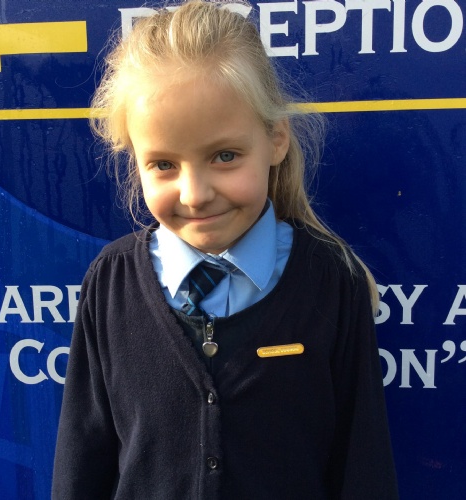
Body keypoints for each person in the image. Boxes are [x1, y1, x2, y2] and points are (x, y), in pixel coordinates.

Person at [52, 1, 398, 498]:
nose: (195, 195)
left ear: (275, 140)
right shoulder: (110, 282)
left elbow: (363, 465)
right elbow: (81, 463)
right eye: (164, 165)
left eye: (225, 156)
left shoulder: (330, 280)